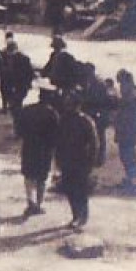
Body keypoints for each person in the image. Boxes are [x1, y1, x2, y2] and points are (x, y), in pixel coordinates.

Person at [55, 93, 100, 229]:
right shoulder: (63, 120)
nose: (69, 107)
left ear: (78, 106)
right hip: (67, 159)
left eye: (71, 104)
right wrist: (58, 159)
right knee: (69, 189)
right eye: (67, 104)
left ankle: (82, 216)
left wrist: (91, 161)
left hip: (81, 160)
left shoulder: (86, 121)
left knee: (80, 189)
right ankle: (76, 215)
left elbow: (94, 143)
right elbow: (58, 140)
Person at [16, 88, 62, 215]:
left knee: (28, 175)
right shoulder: (52, 113)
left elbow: (19, 130)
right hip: (45, 149)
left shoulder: (27, 110)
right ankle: (39, 203)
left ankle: (30, 202)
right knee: (42, 177)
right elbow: (56, 134)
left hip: (29, 146)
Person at [114, 69, 136, 192]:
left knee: (128, 156)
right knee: (127, 156)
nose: (120, 87)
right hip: (130, 130)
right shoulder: (132, 93)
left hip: (128, 131)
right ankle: (132, 180)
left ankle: (135, 183)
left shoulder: (130, 96)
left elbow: (127, 115)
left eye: (121, 83)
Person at [0, 39, 35, 122]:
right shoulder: (3, 56)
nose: (10, 53)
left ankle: (18, 122)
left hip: (21, 85)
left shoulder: (24, 59)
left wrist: (28, 84)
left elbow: (29, 73)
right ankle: (16, 120)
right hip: (8, 84)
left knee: (17, 104)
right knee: (12, 104)